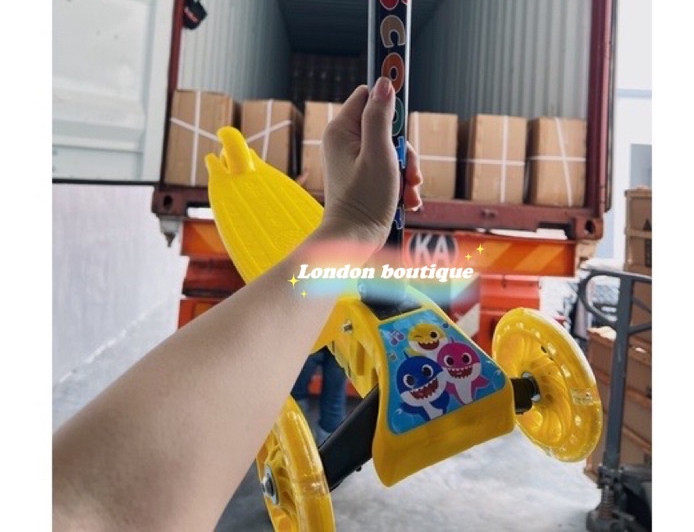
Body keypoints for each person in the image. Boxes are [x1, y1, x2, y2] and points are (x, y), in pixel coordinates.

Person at [53, 76, 423, 532]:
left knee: (313, 374)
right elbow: (96, 505)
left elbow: (94, 501)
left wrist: (351, 226)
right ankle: (326, 442)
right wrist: (352, 226)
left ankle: (323, 442)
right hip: (328, 293)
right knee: (323, 376)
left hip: (319, 296)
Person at [291, 346, 349, 444]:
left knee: (296, 397)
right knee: (333, 402)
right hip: (341, 342)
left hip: (309, 341)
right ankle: (328, 448)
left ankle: (298, 441)